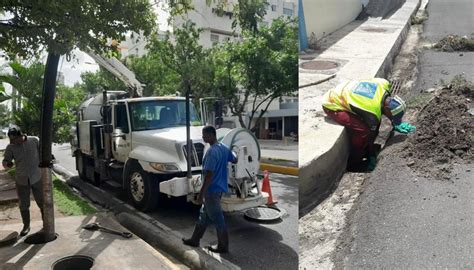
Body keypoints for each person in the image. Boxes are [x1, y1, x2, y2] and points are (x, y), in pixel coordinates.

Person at [322, 78, 416, 171]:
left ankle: (366, 150)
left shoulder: (383, 85)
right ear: (387, 108)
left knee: (373, 124)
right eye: (392, 116)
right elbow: (371, 132)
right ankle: (353, 164)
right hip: (332, 103)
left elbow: (386, 110)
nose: (392, 118)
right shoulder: (372, 111)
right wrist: (371, 152)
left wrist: (395, 122)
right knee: (363, 131)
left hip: (344, 89)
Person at [182, 125, 237, 253]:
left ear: (212, 135)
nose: (203, 137)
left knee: (217, 218)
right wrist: (234, 151)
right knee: (204, 215)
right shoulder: (223, 148)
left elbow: (209, 175)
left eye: (204, 135)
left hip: (211, 190)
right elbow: (235, 158)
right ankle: (195, 239)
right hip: (219, 189)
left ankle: (223, 245)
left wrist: (201, 194)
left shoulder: (212, 152)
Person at [2, 126, 43, 236]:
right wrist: (7, 164)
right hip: (21, 179)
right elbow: (5, 162)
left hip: (37, 176)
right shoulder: (10, 147)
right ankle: (26, 226)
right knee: (24, 204)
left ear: (21, 135)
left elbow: (43, 153)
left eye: (15, 139)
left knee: (41, 201)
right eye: (11, 140)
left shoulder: (34, 140)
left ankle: (46, 224)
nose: (13, 142)